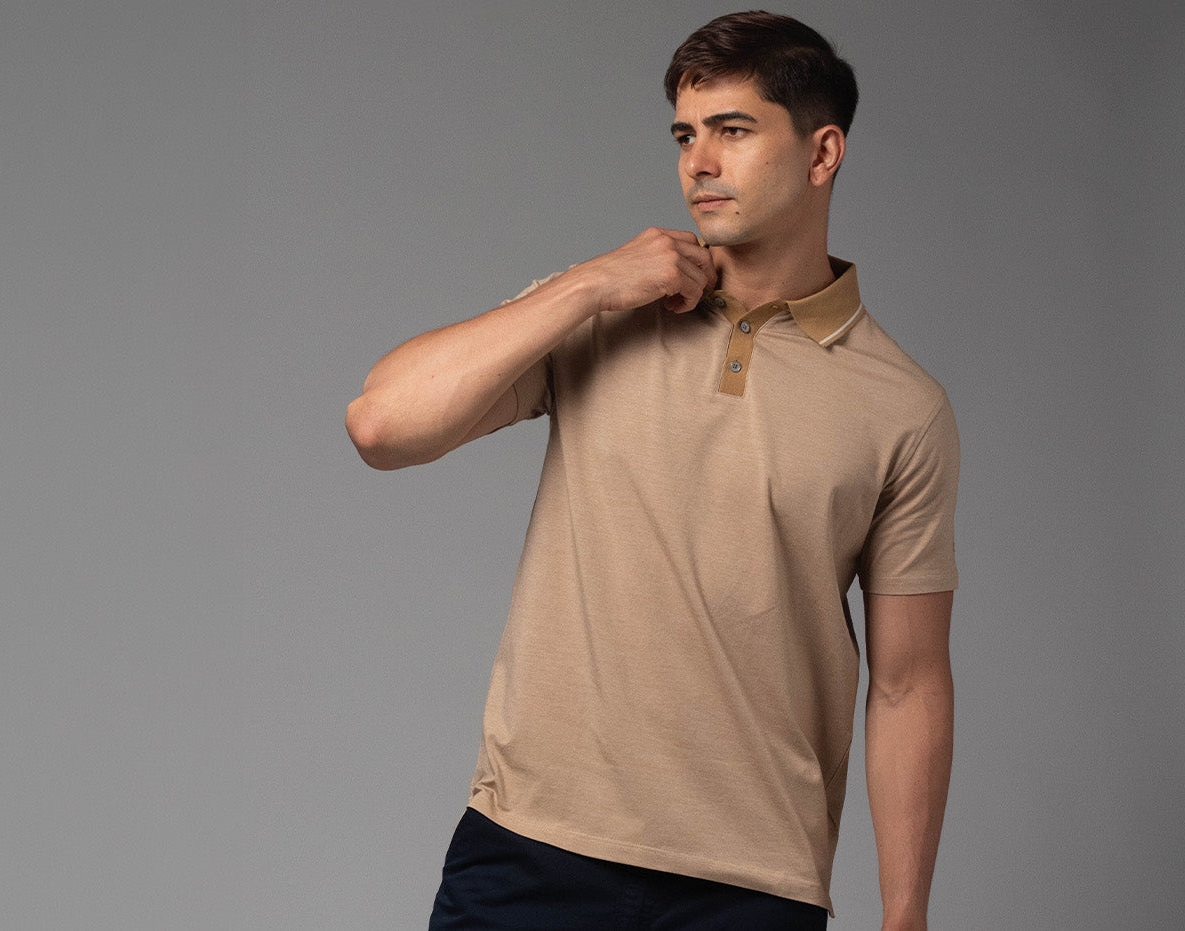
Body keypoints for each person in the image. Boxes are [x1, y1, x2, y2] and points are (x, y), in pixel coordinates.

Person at [345, 11, 958, 930]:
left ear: (823, 153)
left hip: (753, 885)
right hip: (531, 848)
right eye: (684, 135)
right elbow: (381, 425)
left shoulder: (903, 406)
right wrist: (591, 283)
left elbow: (909, 682)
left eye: (733, 130)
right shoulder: (603, 311)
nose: (697, 162)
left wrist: (906, 912)